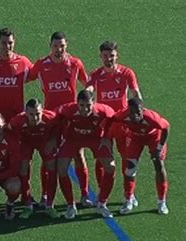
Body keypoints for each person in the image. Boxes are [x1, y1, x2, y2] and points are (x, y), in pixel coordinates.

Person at [28, 32, 93, 207]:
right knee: (47, 156)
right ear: (50, 46)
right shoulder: (42, 65)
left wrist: (91, 91)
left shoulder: (75, 63)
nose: (59, 49)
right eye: (56, 46)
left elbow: (87, 83)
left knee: (79, 154)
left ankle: (85, 194)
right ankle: (44, 195)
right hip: (50, 119)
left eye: (62, 46)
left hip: (71, 118)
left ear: (67, 46)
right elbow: (23, 76)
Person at [87, 40, 143, 206]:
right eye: (105, 56)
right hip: (104, 124)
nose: (108, 59)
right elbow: (89, 90)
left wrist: (138, 114)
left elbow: (136, 95)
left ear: (117, 55)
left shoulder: (126, 73)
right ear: (100, 56)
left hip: (123, 124)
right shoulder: (95, 75)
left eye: (111, 55)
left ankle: (129, 194)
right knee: (101, 159)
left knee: (127, 158)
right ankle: (101, 191)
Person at [55, 90, 116, 219]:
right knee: (61, 168)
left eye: (88, 105)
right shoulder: (68, 109)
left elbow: (113, 118)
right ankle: (71, 205)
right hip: (73, 139)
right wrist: (58, 136)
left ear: (94, 103)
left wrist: (106, 137)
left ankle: (102, 203)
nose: (85, 108)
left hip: (95, 139)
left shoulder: (103, 110)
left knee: (110, 167)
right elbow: (55, 116)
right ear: (77, 103)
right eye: (82, 105)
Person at [111, 97, 170, 215]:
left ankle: (161, 201)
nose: (135, 116)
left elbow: (166, 127)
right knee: (130, 168)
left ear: (142, 110)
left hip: (153, 136)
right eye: (132, 112)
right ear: (128, 110)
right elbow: (112, 119)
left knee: (158, 164)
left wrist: (159, 148)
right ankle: (129, 198)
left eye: (138, 112)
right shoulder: (123, 115)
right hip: (135, 137)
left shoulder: (152, 119)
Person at [7, 99, 61, 219]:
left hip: (44, 141)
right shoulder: (17, 121)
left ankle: (49, 205)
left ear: (42, 111)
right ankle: (28, 205)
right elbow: (8, 130)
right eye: (31, 114)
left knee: (52, 168)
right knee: (23, 170)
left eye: (38, 114)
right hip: (26, 143)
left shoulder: (51, 118)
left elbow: (59, 126)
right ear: (26, 112)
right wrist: (16, 146)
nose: (35, 117)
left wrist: (52, 141)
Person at [0, 28, 33, 122]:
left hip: (17, 118)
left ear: (14, 42)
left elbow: (36, 73)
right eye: (3, 43)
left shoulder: (23, 62)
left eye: (10, 43)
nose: (7, 46)